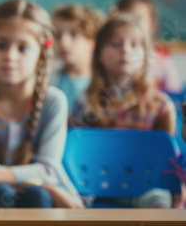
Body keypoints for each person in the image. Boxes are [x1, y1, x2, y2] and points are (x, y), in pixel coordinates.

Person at [0, 0, 82, 208]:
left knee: (36, 195)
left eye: (23, 48)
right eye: (1, 45)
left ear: (41, 54)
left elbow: (48, 169)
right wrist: (21, 178)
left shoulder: (53, 101)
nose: (10, 56)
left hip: (45, 196)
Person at [70, 15, 181, 208]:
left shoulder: (160, 105)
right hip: (93, 187)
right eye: (115, 43)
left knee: (160, 200)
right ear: (98, 54)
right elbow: (73, 151)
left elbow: (168, 158)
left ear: (146, 55)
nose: (125, 50)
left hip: (145, 187)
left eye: (134, 45)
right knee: (70, 201)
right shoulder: (86, 102)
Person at [113, 0, 182, 94]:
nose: (131, 24)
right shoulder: (113, 55)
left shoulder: (162, 58)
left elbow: (176, 92)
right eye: (125, 19)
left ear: (152, 25)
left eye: (138, 18)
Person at [51, 4, 105, 111]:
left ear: (93, 41)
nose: (63, 42)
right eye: (58, 35)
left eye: (74, 34)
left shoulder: (104, 83)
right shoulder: (49, 77)